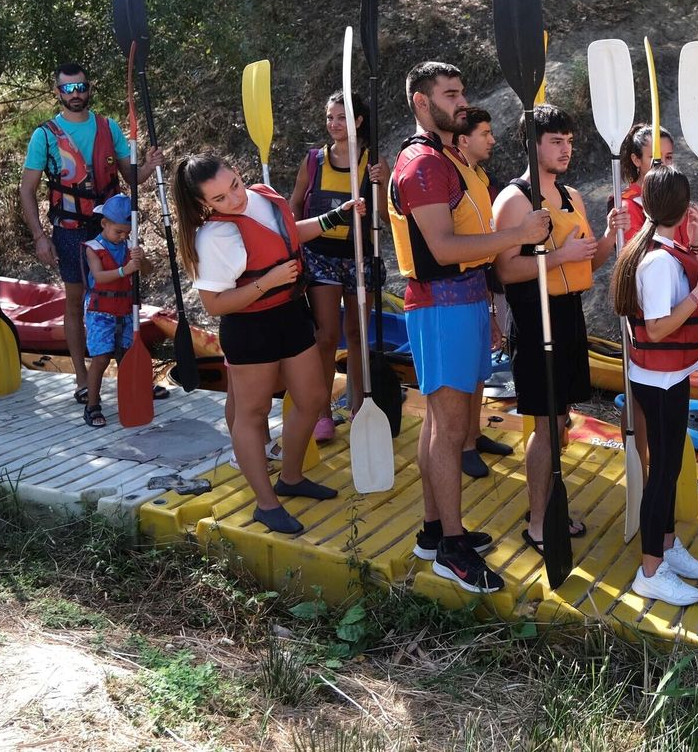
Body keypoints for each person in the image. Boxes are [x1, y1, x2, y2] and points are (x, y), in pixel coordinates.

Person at [388, 61, 549, 593]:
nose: (461, 102)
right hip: (440, 305)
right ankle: (451, 549)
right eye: (450, 94)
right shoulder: (423, 164)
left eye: (461, 93)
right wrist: (519, 235)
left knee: (442, 424)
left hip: (463, 301)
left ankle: (435, 531)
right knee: (451, 430)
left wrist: (489, 304)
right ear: (421, 102)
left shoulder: (447, 157)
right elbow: (442, 248)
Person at [174, 154, 342, 534]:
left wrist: (335, 217)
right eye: (219, 198)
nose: (234, 199)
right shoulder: (214, 236)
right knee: (253, 413)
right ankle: (266, 505)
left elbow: (288, 233)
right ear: (203, 204)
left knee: (313, 398)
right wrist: (268, 282)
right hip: (249, 328)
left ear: (238, 172)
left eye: (234, 185)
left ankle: (291, 478)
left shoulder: (262, 197)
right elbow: (214, 304)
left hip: (291, 313)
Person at [492, 104, 624, 551]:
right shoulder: (514, 201)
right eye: (555, 141)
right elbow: (506, 271)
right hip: (535, 320)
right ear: (532, 145)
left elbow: (588, 263)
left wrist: (607, 236)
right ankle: (537, 523)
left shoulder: (572, 196)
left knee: (561, 422)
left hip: (569, 315)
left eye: (568, 141)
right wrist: (559, 257)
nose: (566, 149)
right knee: (547, 426)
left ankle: (548, 506)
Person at [19, 63, 162, 404]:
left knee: (121, 294)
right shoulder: (45, 135)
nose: (76, 94)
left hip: (111, 227)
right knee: (75, 299)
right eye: (68, 89)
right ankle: (82, 379)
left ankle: (132, 373)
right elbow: (27, 190)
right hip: (70, 229)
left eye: (80, 87)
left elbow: (131, 178)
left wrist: (149, 165)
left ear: (89, 88)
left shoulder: (108, 127)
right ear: (58, 92)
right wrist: (40, 237)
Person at [611, 164, 698, 605]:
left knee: (670, 467)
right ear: (681, 204)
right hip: (657, 382)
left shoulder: (665, 248)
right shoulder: (656, 261)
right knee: (661, 474)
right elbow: (655, 329)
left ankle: (667, 544)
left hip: (670, 376)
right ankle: (650, 570)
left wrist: (695, 240)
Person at [287, 90, 384, 442]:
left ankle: (360, 409)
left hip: (360, 255)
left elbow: (388, 216)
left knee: (357, 334)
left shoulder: (374, 162)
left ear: (358, 121)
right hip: (320, 256)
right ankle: (322, 414)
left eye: (342, 117)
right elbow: (295, 205)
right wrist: (291, 247)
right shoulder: (314, 160)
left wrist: (379, 184)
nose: (334, 124)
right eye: (330, 117)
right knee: (326, 336)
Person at [452, 108, 514, 477]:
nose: (492, 139)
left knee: (478, 369)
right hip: (454, 289)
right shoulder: (453, 176)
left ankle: (473, 435)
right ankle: (461, 445)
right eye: (485, 133)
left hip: (480, 283)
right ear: (463, 140)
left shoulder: (480, 176)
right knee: (462, 373)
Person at [79, 196, 150, 428]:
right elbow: (99, 277)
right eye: (118, 232)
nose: (123, 237)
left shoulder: (130, 246)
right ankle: (92, 405)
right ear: (104, 224)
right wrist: (125, 270)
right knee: (101, 358)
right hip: (100, 312)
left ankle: (130, 398)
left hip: (125, 310)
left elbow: (147, 270)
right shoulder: (93, 248)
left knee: (126, 357)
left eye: (127, 233)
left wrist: (141, 260)